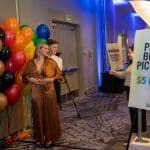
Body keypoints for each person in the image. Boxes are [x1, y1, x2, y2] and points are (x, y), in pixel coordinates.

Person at [23, 43, 62, 148]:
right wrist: (31, 79)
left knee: (49, 113)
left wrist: (50, 79)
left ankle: (49, 138)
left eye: (47, 48)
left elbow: (59, 75)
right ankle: (39, 138)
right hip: (36, 90)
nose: (47, 49)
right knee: (37, 113)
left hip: (49, 90)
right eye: (45, 48)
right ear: (39, 50)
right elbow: (25, 76)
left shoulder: (51, 62)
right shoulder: (30, 63)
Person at [109, 45, 146, 147]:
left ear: (135, 52)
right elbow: (124, 75)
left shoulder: (139, 64)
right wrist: (114, 72)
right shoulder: (131, 64)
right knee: (133, 113)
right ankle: (136, 136)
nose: (128, 54)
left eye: (130, 52)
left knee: (137, 113)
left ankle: (138, 137)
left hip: (136, 91)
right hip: (130, 90)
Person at [47, 39, 63, 110]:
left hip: (54, 83)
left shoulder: (58, 59)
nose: (56, 49)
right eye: (54, 47)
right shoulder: (43, 58)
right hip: (44, 84)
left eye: (56, 47)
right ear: (48, 47)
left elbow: (58, 73)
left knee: (55, 103)